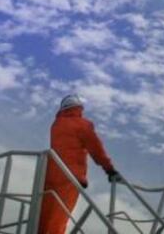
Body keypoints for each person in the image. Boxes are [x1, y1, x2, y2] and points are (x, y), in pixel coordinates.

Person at [38, 94, 120, 234]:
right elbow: (96, 149)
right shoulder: (82, 125)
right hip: (70, 176)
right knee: (59, 216)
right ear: (79, 108)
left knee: (45, 214)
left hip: (51, 174)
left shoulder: (56, 125)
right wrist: (109, 169)